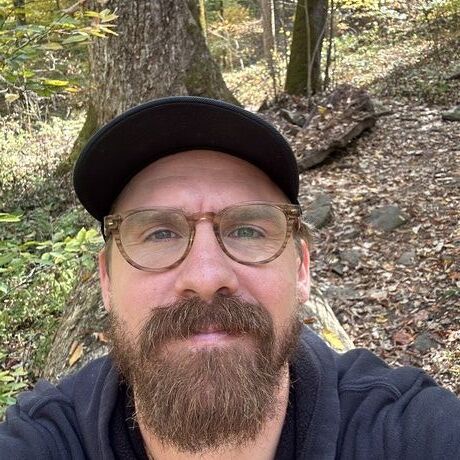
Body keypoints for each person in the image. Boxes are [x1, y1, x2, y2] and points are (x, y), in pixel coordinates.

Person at [0, 96, 459, 460]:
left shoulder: (410, 432)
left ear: (302, 269)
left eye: (247, 230)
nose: (206, 276)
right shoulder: (45, 440)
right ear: (106, 281)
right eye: (159, 233)